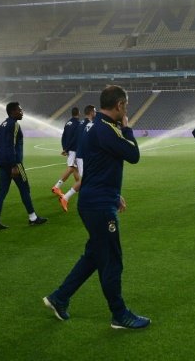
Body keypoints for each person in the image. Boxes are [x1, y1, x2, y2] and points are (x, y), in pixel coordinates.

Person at [42, 85, 150, 329]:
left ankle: (60, 297)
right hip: (99, 205)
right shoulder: (107, 129)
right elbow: (133, 155)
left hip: (96, 198)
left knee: (94, 256)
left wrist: (114, 193)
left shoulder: (91, 126)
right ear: (120, 105)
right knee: (112, 260)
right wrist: (128, 127)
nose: (127, 109)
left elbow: (93, 165)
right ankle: (119, 315)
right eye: (126, 105)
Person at [0, 102, 47, 230]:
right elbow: (11, 145)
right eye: (20, 110)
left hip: (1, 162)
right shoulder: (14, 125)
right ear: (12, 112)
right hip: (14, 164)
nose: (22, 112)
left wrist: (2, 160)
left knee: (2, 192)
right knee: (25, 189)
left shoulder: (2, 125)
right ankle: (33, 218)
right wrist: (14, 165)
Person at [58, 105, 96, 212]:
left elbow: (76, 139)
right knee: (85, 179)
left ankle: (86, 198)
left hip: (80, 155)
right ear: (91, 112)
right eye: (95, 111)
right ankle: (65, 197)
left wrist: (70, 151)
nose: (96, 113)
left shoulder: (80, 124)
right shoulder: (89, 125)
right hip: (84, 156)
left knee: (86, 178)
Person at [51, 107, 81, 200]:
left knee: (75, 169)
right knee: (71, 168)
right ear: (78, 113)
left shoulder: (68, 123)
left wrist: (64, 148)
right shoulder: (78, 124)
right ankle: (56, 186)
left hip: (69, 149)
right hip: (74, 149)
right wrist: (67, 149)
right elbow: (75, 138)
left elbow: (63, 136)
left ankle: (80, 187)